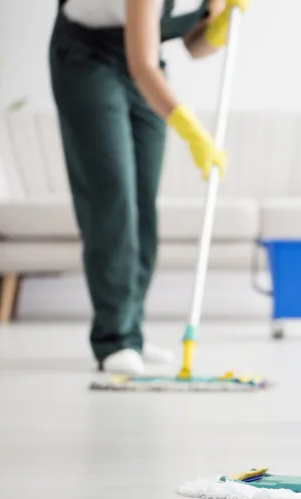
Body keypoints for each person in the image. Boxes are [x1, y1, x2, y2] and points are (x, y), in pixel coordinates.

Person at [49, 0, 247, 375]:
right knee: (113, 200)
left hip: (146, 63)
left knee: (142, 201)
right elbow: (142, 65)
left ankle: (132, 332)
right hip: (88, 59)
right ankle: (115, 339)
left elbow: (194, 46)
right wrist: (193, 133)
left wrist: (220, 25)